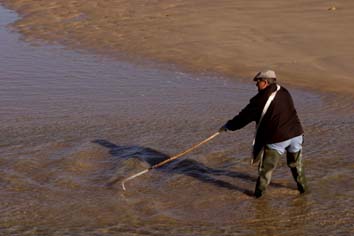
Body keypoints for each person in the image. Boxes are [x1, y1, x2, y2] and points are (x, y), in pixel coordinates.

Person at [219, 70, 308, 198]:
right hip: (297, 135)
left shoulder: (260, 100)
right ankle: (304, 191)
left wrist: (228, 126)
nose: (256, 85)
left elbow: (243, 118)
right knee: (296, 166)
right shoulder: (284, 91)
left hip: (278, 139)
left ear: (265, 82)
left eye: (258, 81)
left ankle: (258, 198)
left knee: (266, 170)